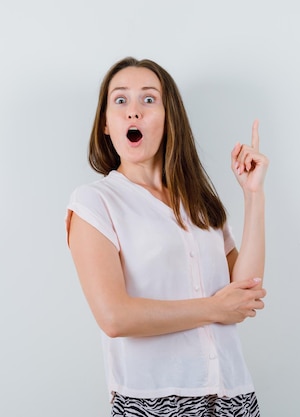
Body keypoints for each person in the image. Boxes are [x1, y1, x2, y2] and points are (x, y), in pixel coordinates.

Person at [66, 56, 269, 417]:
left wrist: (253, 195)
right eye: (120, 100)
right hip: (153, 401)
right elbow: (115, 317)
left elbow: (245, 292)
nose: (134, 113)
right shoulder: (95, 203)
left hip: (234, 395)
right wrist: (214, 308)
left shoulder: (200, 203)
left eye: (148, 99)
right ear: (105, 126)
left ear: (168, 118)